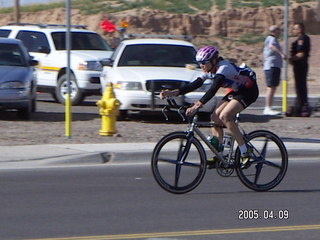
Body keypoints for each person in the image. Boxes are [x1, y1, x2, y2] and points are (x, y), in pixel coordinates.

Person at [160, 46, 259, 166]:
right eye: (199, 63)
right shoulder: (209, 70)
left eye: (203, 63)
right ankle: (219, 156)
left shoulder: (224, 68)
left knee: (225, 116)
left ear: (213, 61)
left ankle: (245, 151)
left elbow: (213, 89)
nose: (201, 66)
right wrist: (172, 93)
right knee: (214, 117)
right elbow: (194, 85)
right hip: (237, 90)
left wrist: (197, 105)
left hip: (249, 90)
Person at [288, 22, 311, 117]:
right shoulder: (300, 39)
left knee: (300, 86)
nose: (293, 30)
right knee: (300, 87)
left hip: (301, 65)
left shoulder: (303, 39)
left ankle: (302, 106)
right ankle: (300, 105)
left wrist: (291, 59)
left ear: (300, 29)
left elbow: (301, 53)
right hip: (299, 65)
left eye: (295, 28)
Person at [263, 25, 287, 115]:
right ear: (275, 31)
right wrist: (282, 54)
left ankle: (269, 107)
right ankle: (268, 108)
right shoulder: (271, 38)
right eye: (279, 30)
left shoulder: (271, 38)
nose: (280, 32)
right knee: (271, 87)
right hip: (272, 65)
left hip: (274, 65)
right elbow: (272, 46)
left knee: (273, 87)